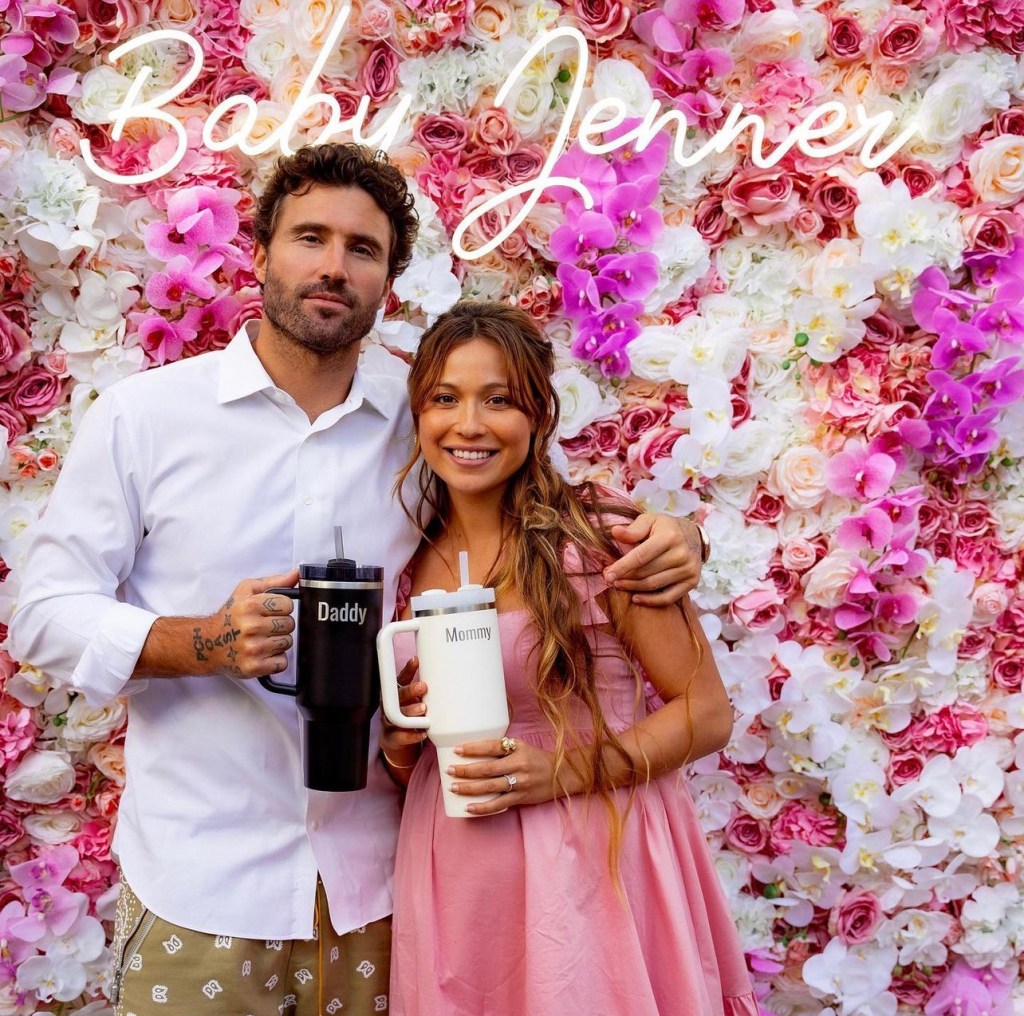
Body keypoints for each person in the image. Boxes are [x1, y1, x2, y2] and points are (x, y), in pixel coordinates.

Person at [7, 144, 705, 1016]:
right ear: (259, 253)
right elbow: (40, 615)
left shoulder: (423, 415)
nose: (334, 265)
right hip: (201, 876)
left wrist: (682, 537)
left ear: (389, 278)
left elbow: (530, 504)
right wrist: (203, 642)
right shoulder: (143, 419)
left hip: (380, 883)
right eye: (309, 237)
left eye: (362, 248)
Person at [383, 301, 757, 1016]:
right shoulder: (410, 560)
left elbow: (706, 715)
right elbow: (413, 753)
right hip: (457, 872)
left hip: (591, 867)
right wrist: (401, 744)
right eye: (444, 399)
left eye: (498, 400)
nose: (467, 425)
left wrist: (554, 773)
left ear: (538, 416)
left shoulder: (597, 540)